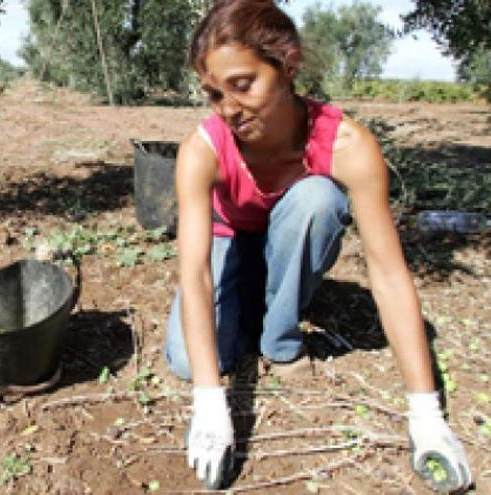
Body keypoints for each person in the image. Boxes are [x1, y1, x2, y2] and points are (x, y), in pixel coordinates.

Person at [165, 0, 473, 492]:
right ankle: (248, 301)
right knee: (188, 360)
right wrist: (208, 399)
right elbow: (195, 273)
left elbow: (389, 274)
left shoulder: (347, 144)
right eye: (213, 93)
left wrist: (426, 415)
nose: (229, 108)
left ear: (288, 66)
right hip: (230, 238)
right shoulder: (201, 149)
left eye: (243, 84)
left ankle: (279, 338)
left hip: (291, 231)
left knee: (318, 198)